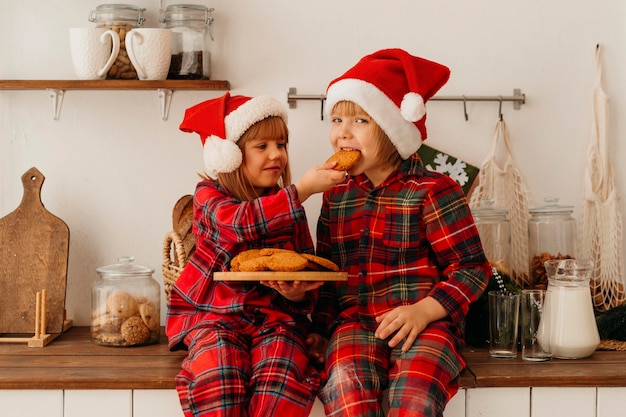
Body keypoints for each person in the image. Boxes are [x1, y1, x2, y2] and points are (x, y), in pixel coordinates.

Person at [308, 49, 492, 417]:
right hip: (354, 325)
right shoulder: (335, 195)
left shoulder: (434, 190)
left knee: (415, 396)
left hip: (424, 324)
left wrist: (424, 311)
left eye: (359, 120)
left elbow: (471, 268)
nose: (342, 132)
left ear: (393, 129)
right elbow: (330, 274)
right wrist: (321, 329)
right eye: (336, 119)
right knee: (345, 386)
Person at [166, 92, 346, 417]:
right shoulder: (209, 196)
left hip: (274, 320)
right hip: (214, 316)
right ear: (230, 156)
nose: (276, 155)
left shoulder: (289, 208)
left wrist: (294, 295)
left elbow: (305, 272)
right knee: (218, 374)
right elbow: (238, 223)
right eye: (262, 146)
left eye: (281, 144)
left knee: (284, 376)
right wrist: (302, 189)